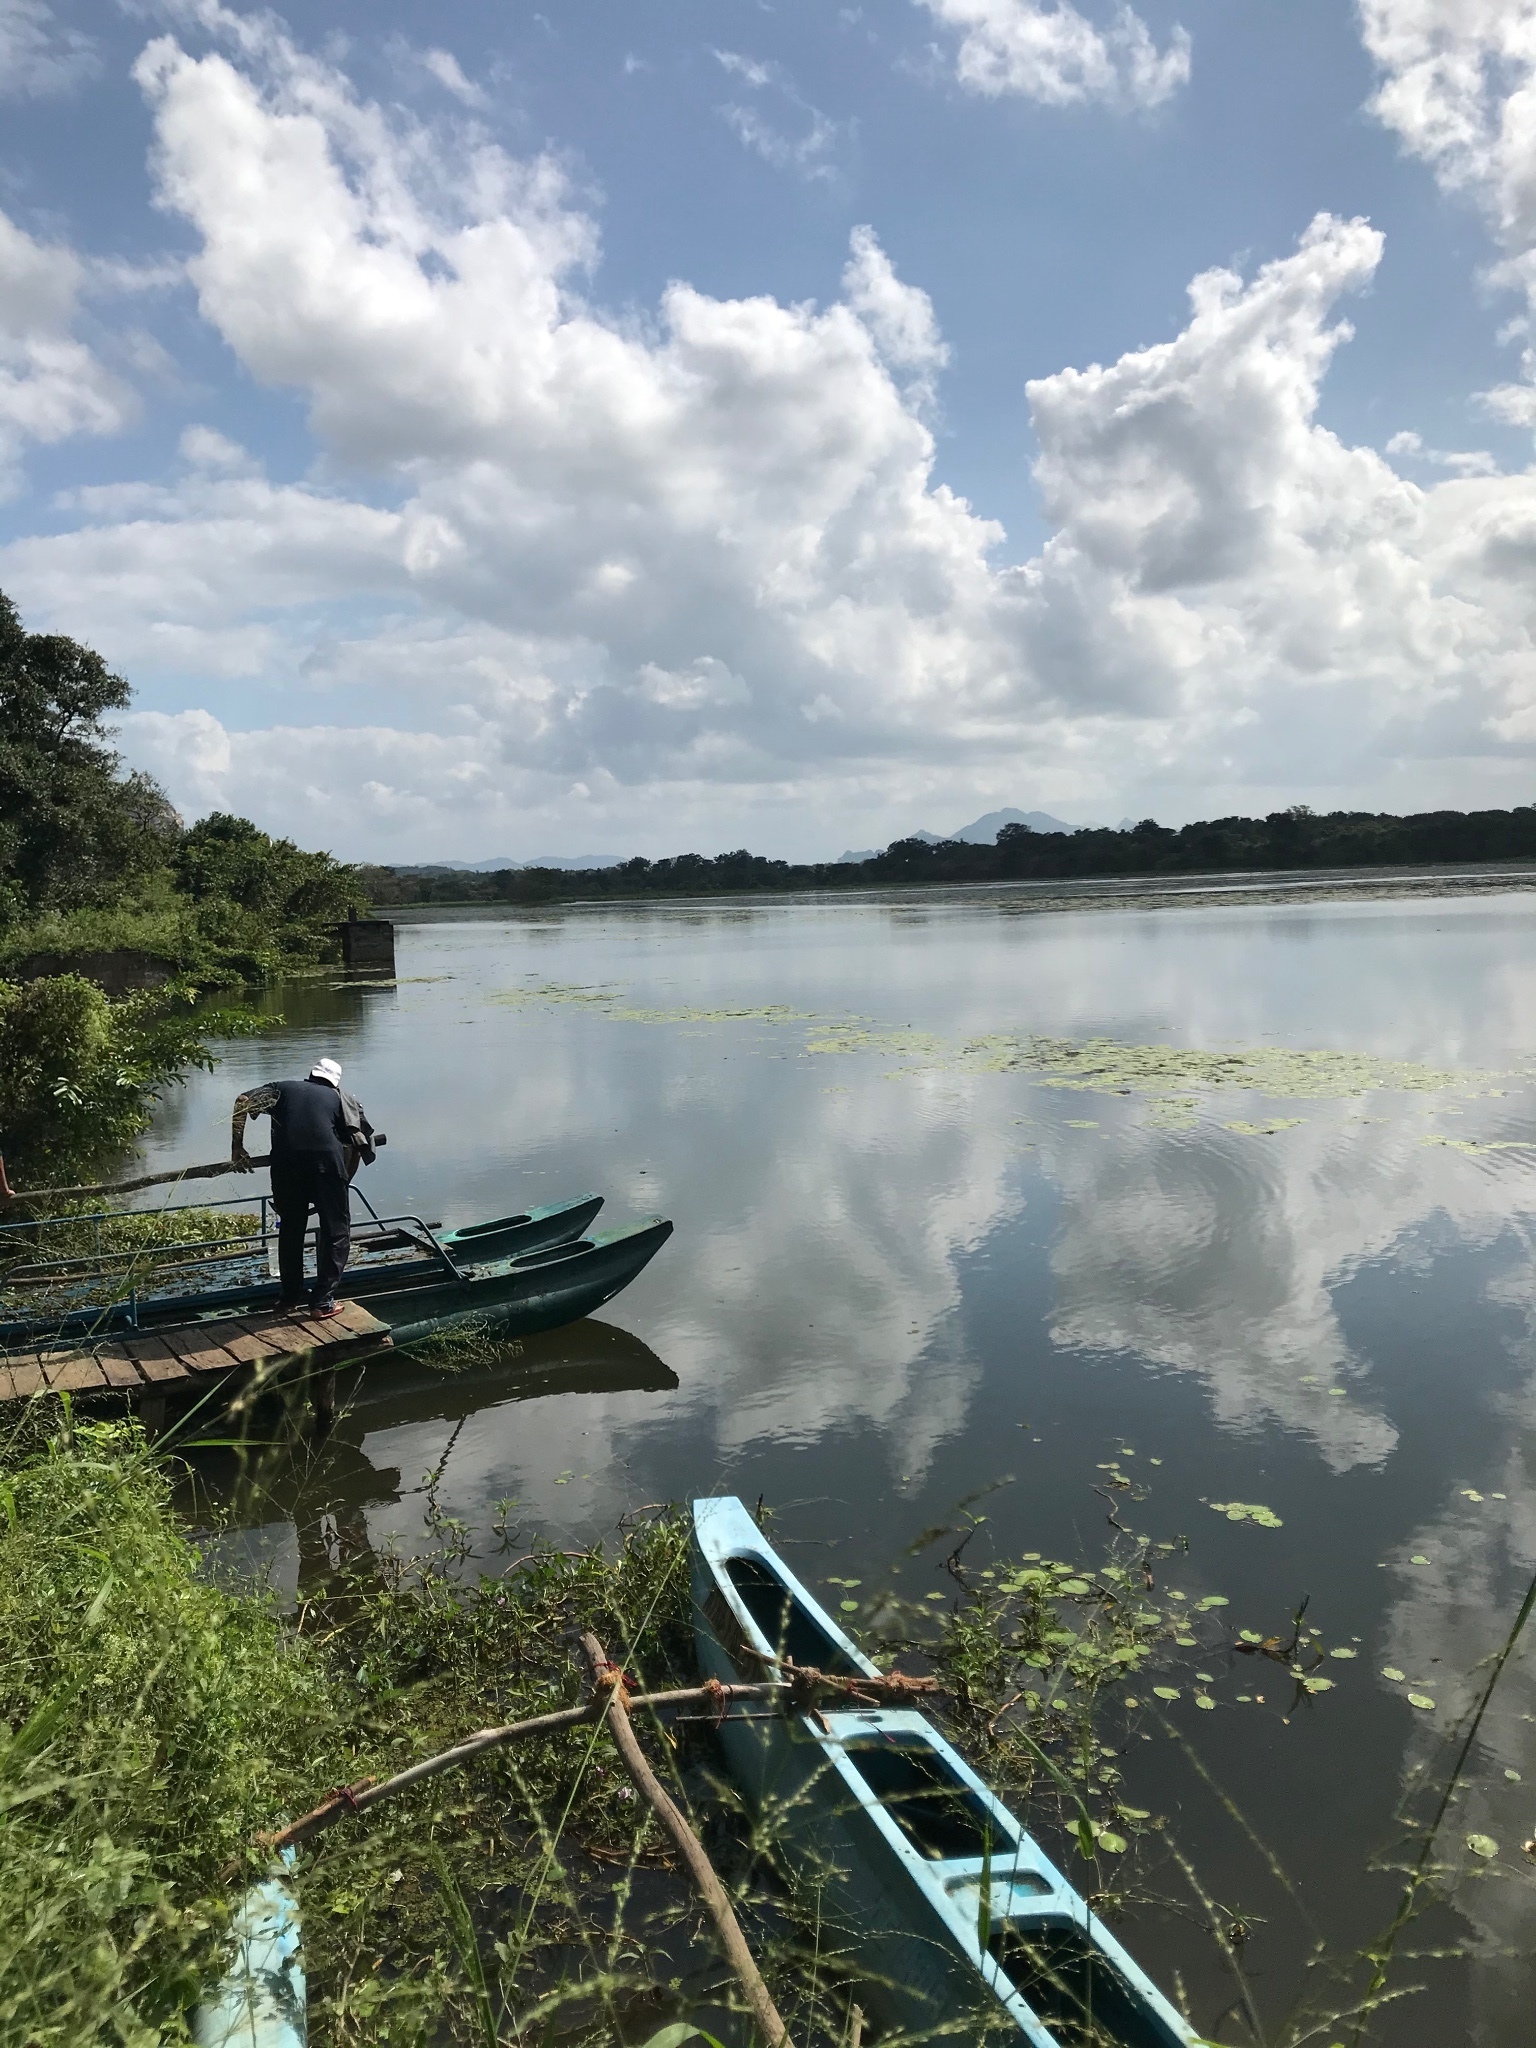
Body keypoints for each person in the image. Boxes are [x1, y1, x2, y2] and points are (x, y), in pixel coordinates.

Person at [231, 1058, 377, 1317]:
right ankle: (321, 1302)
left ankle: (289, 1298)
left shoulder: (282, 1089)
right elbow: (357, 1141)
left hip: (286, 1167)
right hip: (325, 1166)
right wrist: (344, 1181)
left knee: (290, 1229)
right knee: (336, 1232)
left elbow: (242, 1101)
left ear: (310, 1075)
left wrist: (237, 1147)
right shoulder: (341, 1099)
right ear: (334, 1082)